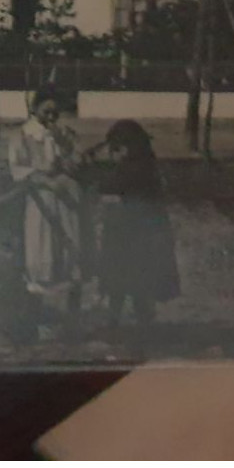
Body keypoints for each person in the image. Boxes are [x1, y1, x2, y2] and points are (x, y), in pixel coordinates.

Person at [86, 119, 181, 328]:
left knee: (119, 276)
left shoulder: (134, 169)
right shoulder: (145, 163)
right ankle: (142, 318)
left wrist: (91, 167)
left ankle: (119, 318)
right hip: (142, 230)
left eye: (116, 149)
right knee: (138, 278)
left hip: (129, 231)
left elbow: (110, 185)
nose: (113, 154)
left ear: (126, 148)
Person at [8, 86, 87, 318]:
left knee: (71, 251)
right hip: (41, 201)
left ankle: (73, 320)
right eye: (47, 111)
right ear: (34, 109)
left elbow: (78, 163)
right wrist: (45, 180)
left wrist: (65, 149)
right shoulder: (22, 136)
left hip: (68, 201)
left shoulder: (66, 135)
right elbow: (18, 168)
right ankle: (36, 317)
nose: (52, 117)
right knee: (41, 251)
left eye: (56, 112)